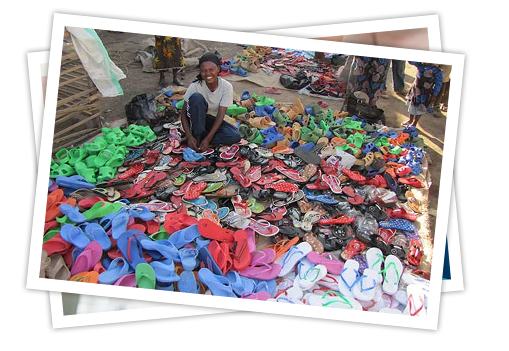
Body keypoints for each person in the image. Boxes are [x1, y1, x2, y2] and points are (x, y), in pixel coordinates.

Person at [181, 52, 241, 152]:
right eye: (203, 71)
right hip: (196, 121)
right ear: (200, 72)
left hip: (212, 121)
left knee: (235, 136)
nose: (208, 74)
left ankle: (201, 140)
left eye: (211, 70)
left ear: (218, 69)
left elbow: (220, 116)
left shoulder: (226, 87)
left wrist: (208, 139)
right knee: (196, 98)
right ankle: (195, 138)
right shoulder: (195, 86)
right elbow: (183, 114)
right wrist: (189, 135)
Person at [402, 62, 443, 127]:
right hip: (415, 91)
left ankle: (414, 123)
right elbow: (410, 61)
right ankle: (410, 120)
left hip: (425, 94)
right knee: (412, 105)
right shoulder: (420, 64)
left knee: (420, 109)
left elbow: (438, 84)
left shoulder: (437, 71)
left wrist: (435, 95)